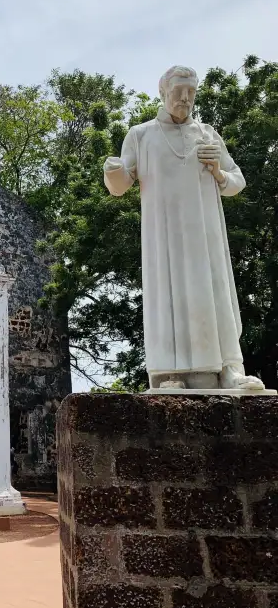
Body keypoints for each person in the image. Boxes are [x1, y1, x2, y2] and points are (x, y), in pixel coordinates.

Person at [104, 64, 265, 392]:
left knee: (215, 291)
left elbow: (237, 181)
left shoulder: (207, 134)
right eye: (179, 94)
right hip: (163, 235)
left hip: (205, 234)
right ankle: (167, 374)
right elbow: (120, 185)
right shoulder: (141, 134)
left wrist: (218, 172)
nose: (186, 100)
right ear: (163, 92)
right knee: (168, 294)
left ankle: (229, 369)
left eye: (191, 94)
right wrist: (113, 171)